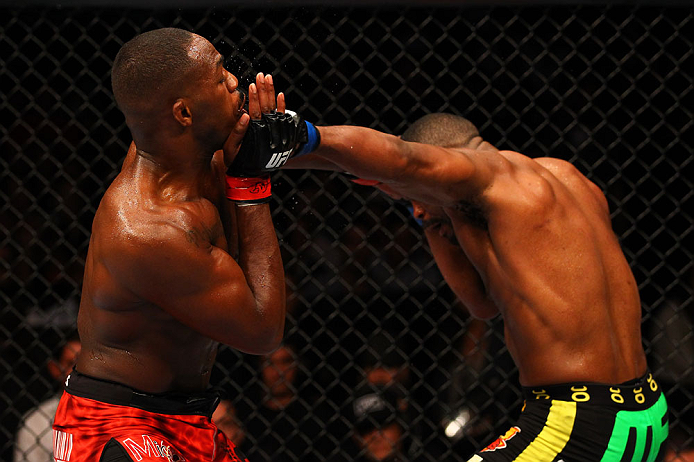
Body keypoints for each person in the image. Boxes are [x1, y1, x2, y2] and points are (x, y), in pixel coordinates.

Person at [285, 112, 669, 461]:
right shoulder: (563, 180)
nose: (415, 210)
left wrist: (300, 135)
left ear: (444, 163)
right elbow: (481, 303)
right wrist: (426, 211)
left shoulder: (486, 173)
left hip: (578, 421)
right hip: (641, 408)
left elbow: (402, 158)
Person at [51, 27, 300, 461]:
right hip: (121, 429)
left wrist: (273, 141)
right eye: (220, 75)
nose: (234, 82)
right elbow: (262, 331)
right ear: (184, 113)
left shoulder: (183, 147)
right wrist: (252, 183)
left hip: (185, 417)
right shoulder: (148, 231)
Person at [14, 334, 80, 462]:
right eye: (71, 363)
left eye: (86, 362)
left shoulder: (118, 413)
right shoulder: (36, 422)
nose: (79, 369)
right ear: (55, 369)